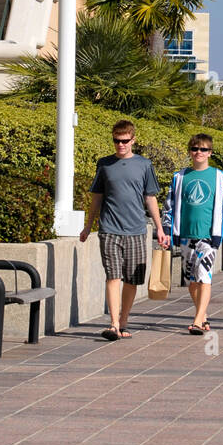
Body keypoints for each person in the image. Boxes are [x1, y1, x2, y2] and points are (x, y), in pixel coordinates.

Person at [80, 119, 167, 340]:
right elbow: (97, 197)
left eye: (125, 141)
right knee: (113, 276)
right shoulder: (104, 164)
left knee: (131, 279)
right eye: (117, 141)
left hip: (136, 230)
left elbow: (150, 198)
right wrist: (88, 226)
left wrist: (159, 228)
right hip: (109, 229)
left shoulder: (144, 165)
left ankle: (124, 320)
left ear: (133, 140)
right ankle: (113, 324)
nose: (120, 145)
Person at [162, 133, 223, 334]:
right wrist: (166, 231)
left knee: (204, 277)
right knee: (192, 282)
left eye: (203, 149)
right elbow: (169, 206)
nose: (199, 152)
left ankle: (197, 321)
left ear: (210, 153)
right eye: (195, 148)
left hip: (209, 236)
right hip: (185, 235)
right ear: (190, 152)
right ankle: (203, 315)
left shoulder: (220, 177)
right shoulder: (179, 177)